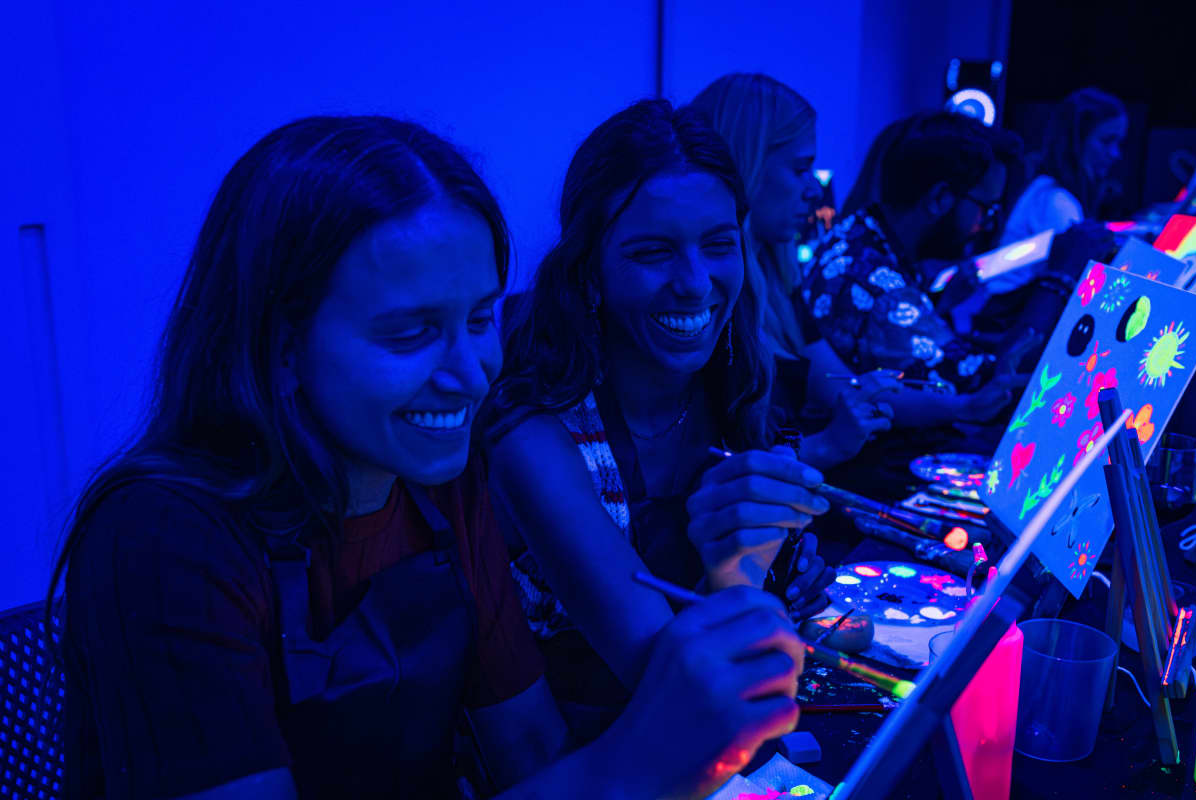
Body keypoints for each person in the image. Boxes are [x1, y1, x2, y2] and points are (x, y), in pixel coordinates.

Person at [50, 115, 807, 799]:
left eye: (481, 319)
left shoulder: (439, 483)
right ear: (280, 348)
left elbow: (533, 750)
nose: (473, 373)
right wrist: (638, 760)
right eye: (411, 334)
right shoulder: (164, 537)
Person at [484, 100, 832, 741]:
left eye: (719, 245)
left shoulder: (734, 384)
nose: (697, 284)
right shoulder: (535, 440)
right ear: (589, 272)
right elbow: (681, 692)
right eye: (653, 252)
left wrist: (788, 579)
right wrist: (743, 574)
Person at [688, 72, 896, 459]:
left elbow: (838, 387)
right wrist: (828, 445)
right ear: (745, 166)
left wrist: (875, 394)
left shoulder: (777, 274)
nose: (815, 189)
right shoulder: (709, 287)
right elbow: (713, 465)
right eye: (800, 169)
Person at [799, 112, 1029, 426]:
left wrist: (940, 306)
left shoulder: (862, 232)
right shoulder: (874, 281)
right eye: (985, 207)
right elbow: (983, 388)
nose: (986, 224)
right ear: (939, 198)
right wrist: (1060, 277)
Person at [1001, 88, 1127, 243]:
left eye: (1118, 143)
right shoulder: (1058, 202)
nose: (1115, 153)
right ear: (1075, 142)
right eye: (1106, 141)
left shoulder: (1045, 188)